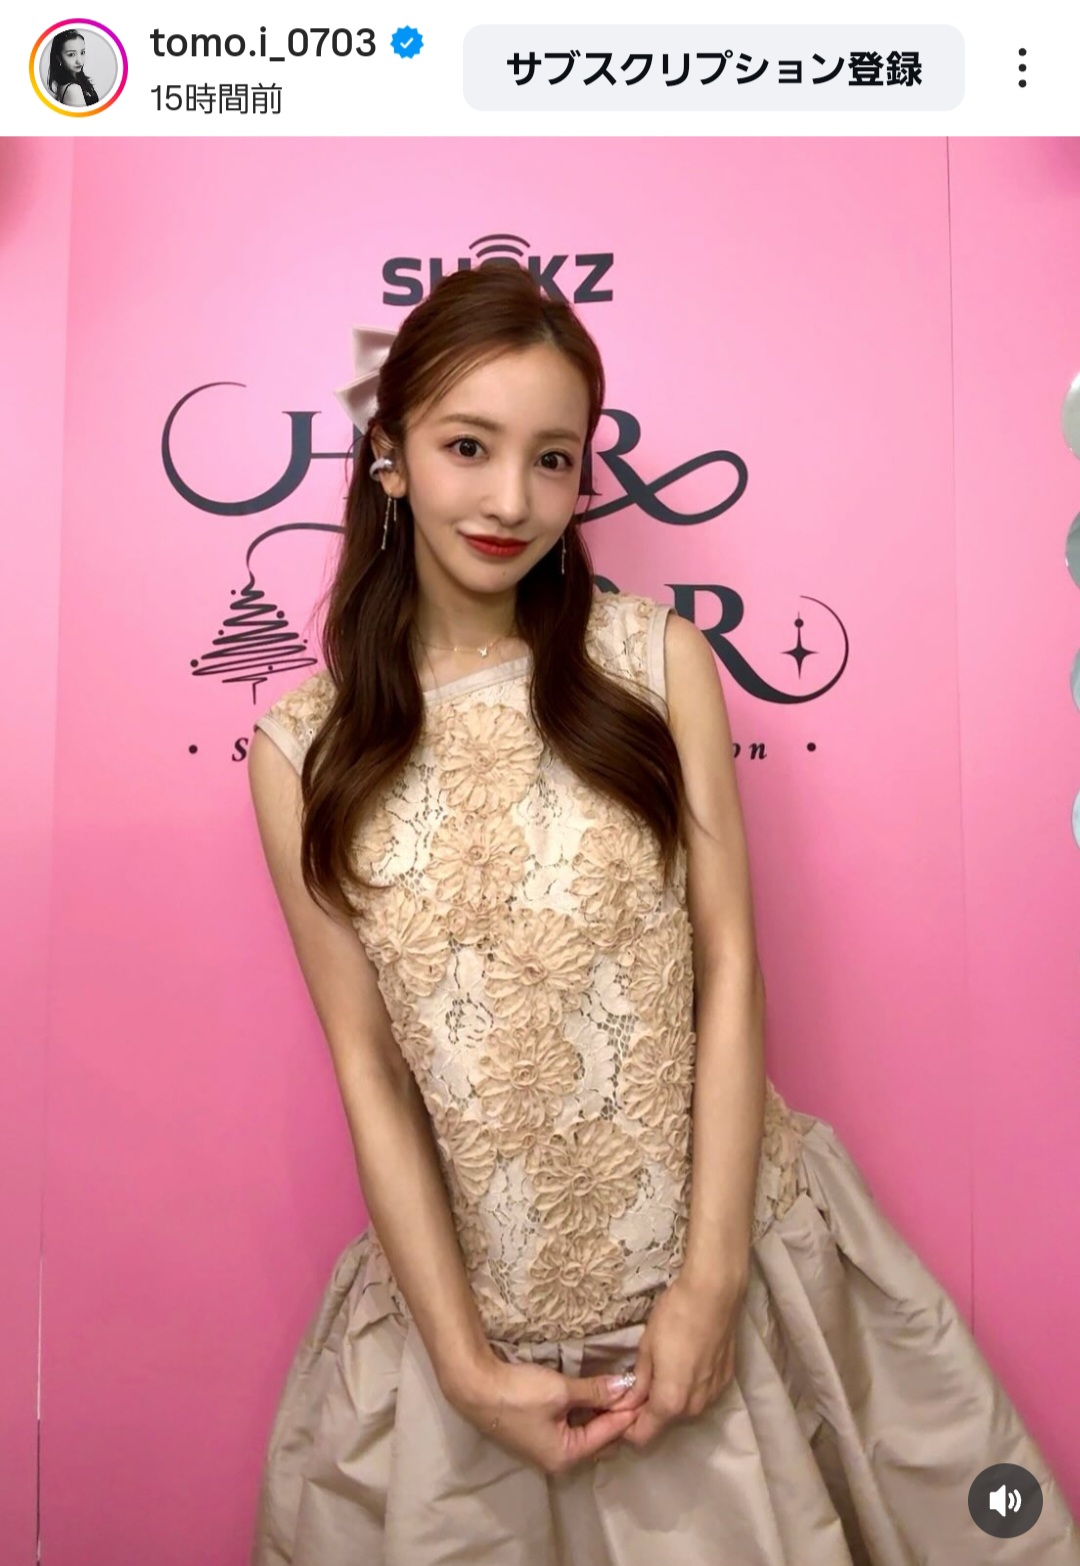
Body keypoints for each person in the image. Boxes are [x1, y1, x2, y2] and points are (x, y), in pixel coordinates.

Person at [246, 260, 1080, 1564]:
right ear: (390, 455)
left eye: (553, 459)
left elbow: (731, 967)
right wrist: (463, 1366)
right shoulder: (303, 748)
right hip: (476, 1318)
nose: (511, 499)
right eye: (468, 446)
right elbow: (371, 1066)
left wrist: (711, 1283)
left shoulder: (653, 661)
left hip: (730, 1262)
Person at [47, 29, 101, 108]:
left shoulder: (75, 79)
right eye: (71, 54)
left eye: (82, 52)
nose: (80, 61)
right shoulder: (73, 89)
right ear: (59, 58)